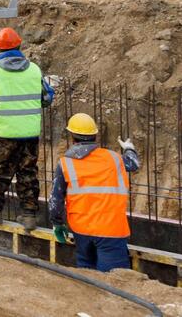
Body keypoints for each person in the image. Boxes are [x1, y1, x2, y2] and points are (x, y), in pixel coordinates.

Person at [0, 27, 55, 230]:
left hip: (3, 132)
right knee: (28, 172)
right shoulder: (34, 69)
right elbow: (47, 98)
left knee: (0, 172)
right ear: (20, 46)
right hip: (29, 133)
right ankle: (29, 215)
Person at [49, 113, 140, 272]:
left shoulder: (65, 163)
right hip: (110, 229)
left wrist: (57, 223)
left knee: (88, 278)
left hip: (81, 229)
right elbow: (133, 163)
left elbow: (55, 201)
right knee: (114, 279)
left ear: (72, 137)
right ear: (95, 135)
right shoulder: (113, 158)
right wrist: (129, 148)